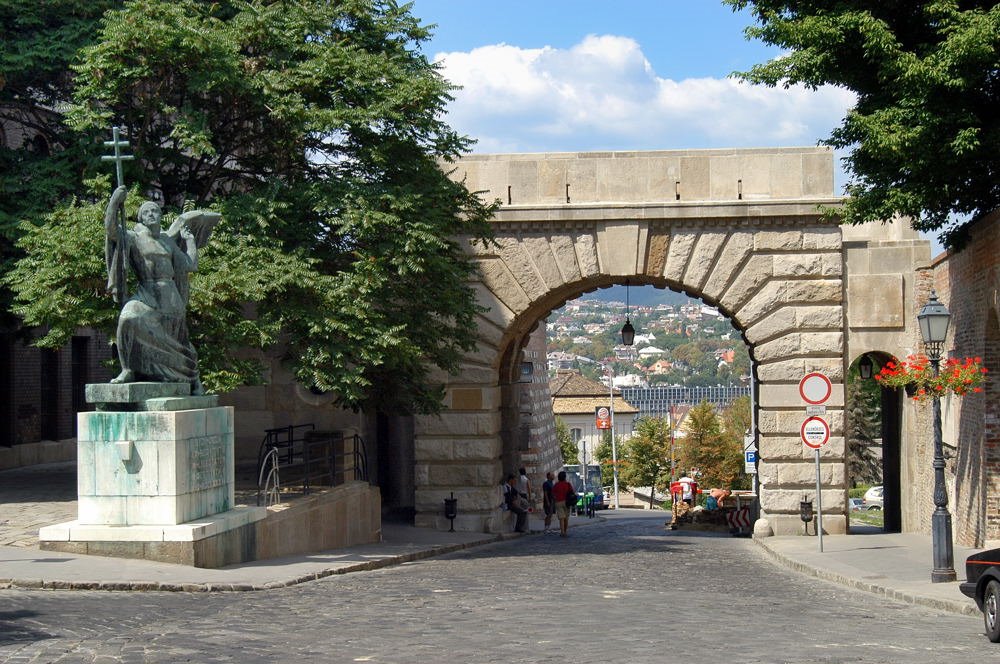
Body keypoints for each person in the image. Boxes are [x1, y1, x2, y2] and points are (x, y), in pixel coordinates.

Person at [104, 185, 219, 396]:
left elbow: (189, 265)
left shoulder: (167, 240)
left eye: (154, 210)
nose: (151, 214)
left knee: (178, 342)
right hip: (146, 292)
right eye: (146, 212)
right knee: (127, 318)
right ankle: (128, 369)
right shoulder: (133, 237)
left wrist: (191, 242)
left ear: (160, 215)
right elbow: (111, 230)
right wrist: (114, 202)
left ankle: (192, 379)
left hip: (170, 297)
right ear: (140, 218)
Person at [551, 471, 576, 537]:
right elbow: (572, 492)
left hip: (558, 502)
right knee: (566, 518)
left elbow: (552, 494)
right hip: (567, 502)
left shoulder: (556, 485)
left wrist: (555, 499)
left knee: (561, 518)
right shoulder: (568, 484)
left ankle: (562, 532)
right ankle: (565, 531)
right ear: (565, 477)